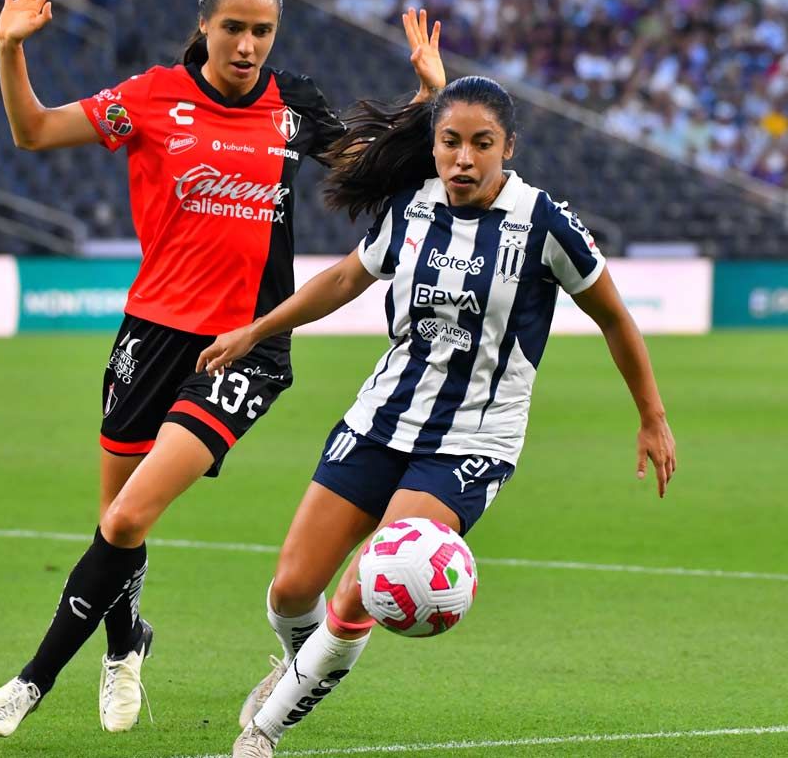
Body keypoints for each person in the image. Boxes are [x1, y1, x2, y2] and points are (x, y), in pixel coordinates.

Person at [0, 0, 448, 738]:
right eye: (235, 29)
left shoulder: (294, 104)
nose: (250, 45)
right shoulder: (151, 97)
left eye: (263, 31)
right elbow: (34, 131)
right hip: (150, 336)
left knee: (127, 519)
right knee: (115, 525)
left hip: (244, 346)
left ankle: (28, 682)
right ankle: (126, 646)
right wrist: (10, 49)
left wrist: (427, 103)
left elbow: (370, 168)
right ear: (204, 27)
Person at [194, 75, 678, 757]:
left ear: (508, 147)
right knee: (291, 589)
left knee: (371, 579)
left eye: (482, 144)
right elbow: (342, 279)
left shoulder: (544, 223)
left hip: (472, 441)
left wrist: (651, 415)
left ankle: (264, 729)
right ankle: (302, 668)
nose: (463, 158)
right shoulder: (411, 208)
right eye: (450, 141)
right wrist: (256, 330)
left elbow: (615, 318)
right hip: (380, 417)